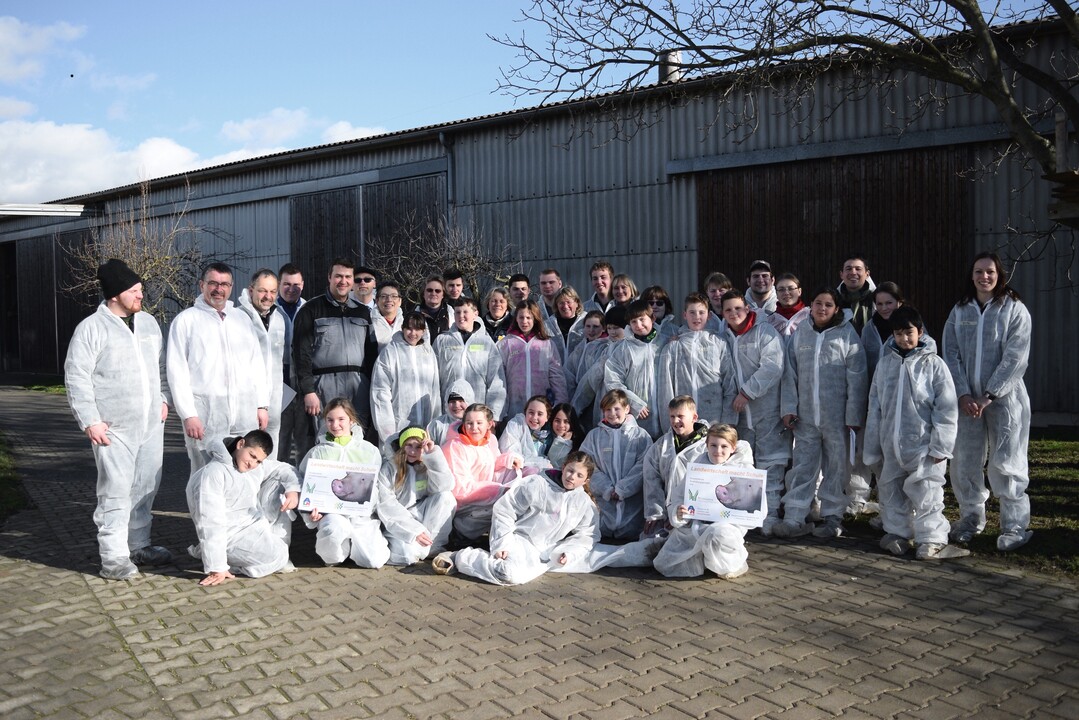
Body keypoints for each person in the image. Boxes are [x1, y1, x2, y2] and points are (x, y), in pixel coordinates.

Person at [65, 259, 171, 580]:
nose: (142, 295)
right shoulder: (91, 329)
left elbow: (160, 367)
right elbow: (76, 376)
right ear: (115, 295)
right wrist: (90, 420)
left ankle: (139, 545)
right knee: (116, 490)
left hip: (151, 425)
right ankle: (113, 557)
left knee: (145, 487)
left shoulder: (149, 323)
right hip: (113, 428)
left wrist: (163, 398)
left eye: (141, 289)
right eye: (135, 291)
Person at [943, 252, 1033, 551]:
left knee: (1008, 461)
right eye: (979, 271)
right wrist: (965, 394)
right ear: (971, 275)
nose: (984, 277)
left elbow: (1015, 357)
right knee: (965, 462)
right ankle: (970, 520)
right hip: (967, 402)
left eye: (990, 271)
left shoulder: (1014, 309)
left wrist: (989, 395)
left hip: (1005, 401)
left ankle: (1014, 526)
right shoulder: (960, 310)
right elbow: (951, 353)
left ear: (999, 275)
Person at [864, 307, 969, 561]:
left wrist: (941, 445)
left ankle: (931, 539)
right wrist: (873, 442)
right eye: (898, 333)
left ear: (920, 332)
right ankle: (898, 532)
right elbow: (875, 404)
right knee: (891, 489)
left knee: (928, 492)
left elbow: (945, 408)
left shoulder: (933, 365)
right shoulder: (886, 363)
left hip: (923, 445)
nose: (904, 339)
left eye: (909, 332)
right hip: (892, 443)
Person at [778, 287, 868, 539]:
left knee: (836, 468)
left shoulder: (847, 335)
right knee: (803, 467)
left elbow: (857, 377)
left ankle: (832, 517)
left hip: (836, 419)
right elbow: (790, 375)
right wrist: (789, 409)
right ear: (811, 305)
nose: (822, 309)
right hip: (805, 418)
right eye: (818, 303)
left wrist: (853, 417)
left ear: (836, 309)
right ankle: (795, 516)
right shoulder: (801, 334)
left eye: (828, 305)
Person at [432, 452, 600, 585]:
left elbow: (588, 535)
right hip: (517, 540)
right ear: (563, 467)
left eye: (579, 475)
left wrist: (570, 553)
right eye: (570, 470)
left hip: (544, 550)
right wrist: (502, 543)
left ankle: (474, 559)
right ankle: (460, 557)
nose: (572, 477)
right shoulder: (537, 484)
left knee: (603, 558)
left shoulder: (584, 503)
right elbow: (505, 510)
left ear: (587, 480)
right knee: (508, 573)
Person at [168, 262, 269, 473]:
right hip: (206, 417)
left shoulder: (242, 319)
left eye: (224, 284)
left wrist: (261, 404)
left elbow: (256, 365)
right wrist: (188, 414)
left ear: (231, 287)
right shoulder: (186, 321)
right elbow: (177, 372)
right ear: (201, 285)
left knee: (244, 474)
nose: (218, 289)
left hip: (243, 414)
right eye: (213, 283)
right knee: (204, 474)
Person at [186, 429, 299, 586]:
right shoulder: (215, 473)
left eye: (259, 461)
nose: (252, 464)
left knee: (279, 482)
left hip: (251, 526)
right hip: (230, 536)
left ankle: (247, 559)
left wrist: (292, 490)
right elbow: (210, 521)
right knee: (279, 555)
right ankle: (228, 562)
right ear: (240, 444)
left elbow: (284, 468)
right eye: (252, 456)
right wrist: (216, 566)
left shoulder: (252, 466)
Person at [719, 290, 789, 537]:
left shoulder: (764, 332)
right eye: (728, 310)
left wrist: (747, 392)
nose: (734, 314)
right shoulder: (725, 335)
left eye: (738, 309)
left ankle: (769, 516)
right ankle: (747, 515)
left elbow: (773, 366)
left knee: (772, 462)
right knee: (745, 465)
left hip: (766, 409)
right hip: (740, 415)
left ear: (747, 308)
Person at [291, 258, 379, 449]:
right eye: (338, 276)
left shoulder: (363, 313)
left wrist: (372, 388)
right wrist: (308, 390)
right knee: (326, 437)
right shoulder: (311, 310)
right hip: (324, 386)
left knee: (357, 438)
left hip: (358, 386)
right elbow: (301, 354)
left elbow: (372, 355)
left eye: (348, 277)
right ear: (329, 277)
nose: (343, 281)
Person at [652, 424, 754, 579]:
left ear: (733, 448)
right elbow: (679, 495)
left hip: (727, 526)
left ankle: (728, 563)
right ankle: (703, 559)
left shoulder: (744, 470)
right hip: (697, 524)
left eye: (724, 446)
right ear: (706, 445)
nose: (718, 451)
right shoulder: (698, 467)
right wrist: (678, 511)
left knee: (718, 534)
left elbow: (754, 507)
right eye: (713, 445)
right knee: (667, 563)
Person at [298, 399, 389, 568]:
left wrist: (368, 505)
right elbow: (304, 484)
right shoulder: (317, 452)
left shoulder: (369, 451)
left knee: (373, 560)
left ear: (351, 420)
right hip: (332, 515)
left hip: (361, 515)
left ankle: (357, 544)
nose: (335, 425)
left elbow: (377, 486)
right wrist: (310, 511)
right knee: (334, 536)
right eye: (330, 420)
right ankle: (338, 551)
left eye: (341, 419)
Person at [656, 292, 737, 434]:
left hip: (714, 417)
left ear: (709, 315)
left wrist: (727, 420)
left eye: (701, 312)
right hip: (683, 421)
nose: (697, 317)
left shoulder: (718, 343)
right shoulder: (673, 346)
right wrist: (668, 426)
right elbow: (666, 388)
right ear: (684, 315)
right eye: (692, 312)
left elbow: (729, 382)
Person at [443, 403, 524, 543]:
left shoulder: (488, 440)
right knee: (507, 505)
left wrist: (509, 459)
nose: (474, 428)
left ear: (489, 424)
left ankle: (516, 539)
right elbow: (461, 490)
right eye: (469, 423)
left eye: (479, 423)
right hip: (464, 509)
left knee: (520, 478)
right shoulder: (454, 447)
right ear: (463, 424)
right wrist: (498, 490)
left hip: (485, 499)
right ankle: (495, 543)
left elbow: (493, 463)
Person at [376, 426, 457, 565]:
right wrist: (414, 530)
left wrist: (432, 455)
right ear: (402, 446)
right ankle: (419, 547)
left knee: (446, 497)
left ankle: (433, 546)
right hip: (399, 521)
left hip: (421, 513)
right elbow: (386, 504)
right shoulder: (389, 468)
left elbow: (444, 486)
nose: (413, 451)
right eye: (408, 445)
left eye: (418, 446)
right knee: (408, 557)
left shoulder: (427, 463)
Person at [579, 389, 652, 540]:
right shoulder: (594, 436)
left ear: (627, 409)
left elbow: (643, 466)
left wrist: (623, 489)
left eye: (617, 408)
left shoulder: (640, 436)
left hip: (633, 511)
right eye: (607, 409)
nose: (612, 413)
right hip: (603, 507)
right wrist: (606, 488)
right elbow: (586, 465)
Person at [370, 311, 441, 454]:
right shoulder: (390, 352)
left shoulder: (428, 352)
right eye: (409, 328)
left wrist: (434, 424)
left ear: (423, 330)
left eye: (417, 329)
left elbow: (434, 390)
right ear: (402, 328)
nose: (413, 333)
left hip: (424, 427)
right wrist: (388, 433)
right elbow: (380, 393)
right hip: (397, 426)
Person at [642, 396, 710, 540]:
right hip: (667, 513)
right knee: (652, 544)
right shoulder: (662, 445)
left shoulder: (707, 446)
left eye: (680, 416)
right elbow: (651, 478)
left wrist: (682, 515)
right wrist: (656, 513)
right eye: (672, 416)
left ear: (694, 417)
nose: (675, 421)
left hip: (695, 514)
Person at [604, 299, 670, 439]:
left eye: (642, 319)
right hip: (639, 417)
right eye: (633, 322)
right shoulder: (624, 349)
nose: (638, 325)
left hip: (667, 415)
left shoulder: (666, 343)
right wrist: (633, 402)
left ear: (652, 318)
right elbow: (612, 381)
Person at [434, 296, 507, 420]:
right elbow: (433, 378)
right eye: (457, 312)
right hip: (449, 413)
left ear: (475, 314)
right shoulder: (442, 341)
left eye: (465, 312)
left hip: (477, 414)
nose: (461, 316)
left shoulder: (486, 343)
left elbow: (496, 382)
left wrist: (493, 414)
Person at [238, 268, 286, 452]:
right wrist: (259, 403)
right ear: (251, 290)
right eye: (263, 290)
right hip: (247, 401)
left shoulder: (279, 319)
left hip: (274, 400)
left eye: (273, 291)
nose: (268, 296)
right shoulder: (238, 318)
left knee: (269, 451)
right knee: (246, 450)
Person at [499, 300, 568, 417]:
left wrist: (560, 402)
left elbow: (556, 375)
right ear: (516, 319)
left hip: (541, 408)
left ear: (535, 319)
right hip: (514, 407)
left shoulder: (546, 344)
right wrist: (500, 410)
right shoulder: (506, 344)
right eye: (521, 317)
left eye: (528, 318)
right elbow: (500, 378)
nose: (524, 321)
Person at [571, 306, 626, 428]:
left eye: (616, 328)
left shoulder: (632, 350)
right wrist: (575, 410)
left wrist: (636, 404)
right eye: (610, 328)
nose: (612, 332)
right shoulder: (604, 350)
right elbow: (589, 382)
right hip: (605, 408)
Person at [276, 263, 309, 462]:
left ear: (302, 285)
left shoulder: (308, 308)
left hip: (302, 378)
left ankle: (303, 483)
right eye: (287, 284)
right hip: (279, 379)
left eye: (296, 284)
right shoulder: (271, 309)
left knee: (304, 437)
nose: (291, 288)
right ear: (280, 284)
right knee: (281, 436)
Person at [499, 395, 559, 470]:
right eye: (531, 412)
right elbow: (510, 451)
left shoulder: (551, 433)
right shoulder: (517, 424)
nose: (534, 417)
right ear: (525, 412)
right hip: (516, 470)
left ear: (547, 417)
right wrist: (540, 463)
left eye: (540, 414)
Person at [862, 282, 906, 377]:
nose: (884, 308)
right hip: (875, 386)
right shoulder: (869, 328)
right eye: (879, 304)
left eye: (889, 303)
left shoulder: (911, 325)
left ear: (899, 302)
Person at [565, 310, 607, 398]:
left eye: (595, 326)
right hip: (578, 394)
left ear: (603, 328)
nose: (591, 330)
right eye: (588, 326)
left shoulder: (605, 347)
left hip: (596, 395)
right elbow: (569, 370)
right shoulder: (581, 346)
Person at [544, 285, 586, 363]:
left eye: (568, 302)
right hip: (556, 372)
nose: (565, 306)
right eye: (561, 303)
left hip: (580, 372)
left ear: (577, 303)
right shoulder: (548, 325)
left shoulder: (586, 322)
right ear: (556, 305)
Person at [837, 254, 876, 333]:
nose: (853, 273)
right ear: (841, 274)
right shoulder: (834, 299)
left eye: (858, 269)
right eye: (849, 269)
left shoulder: (876, 299)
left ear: (867, 274)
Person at [427, 381, 473, 446]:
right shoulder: (437, 425)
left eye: (461, 401)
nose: (456, 405)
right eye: (452, 401)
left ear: (469, 401)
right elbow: (427, 451)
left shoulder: (476, 424)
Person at [768, 272, 810, 337]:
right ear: (776, 294)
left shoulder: (810, 316)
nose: (786, 293)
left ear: (799, 291)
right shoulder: (770, 321)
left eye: (791, 288)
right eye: (781, 289)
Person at [548, 403, 587, 469]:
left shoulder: (579, 444)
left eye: (566, 422)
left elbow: (555, 464)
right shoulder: (546, 436)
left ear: (572, 423)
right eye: (557, 421)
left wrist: (563, 443)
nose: (561, 425)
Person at [371, 281, 405, 350]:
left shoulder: (407, 324)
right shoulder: (369, 324)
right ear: (377, 301)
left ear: (400, 301)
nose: (389, 300)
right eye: (384, 296)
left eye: (394, 296)